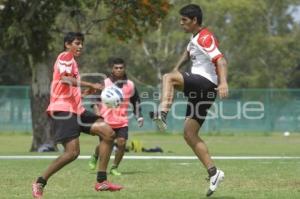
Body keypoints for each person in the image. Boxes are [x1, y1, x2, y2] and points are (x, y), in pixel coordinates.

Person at [32, 32, 123, 199]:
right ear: (67, 44)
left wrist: (85, 92)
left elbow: (68, 88)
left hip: (77, 109)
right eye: (77, 43)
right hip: (64, 110)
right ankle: (40, 182)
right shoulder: (65, 56)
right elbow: (65, 80)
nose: (80, 46)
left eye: (82, 43)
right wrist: (91, 83)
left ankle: (101, 181)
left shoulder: (72, 61)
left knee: (108, 133)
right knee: (72, 153)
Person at [150, 4, 228, 197]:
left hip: (206, 84)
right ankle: (214, 172)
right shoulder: (194, 39)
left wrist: (224, 82)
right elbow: (186, 54)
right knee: (189, 134)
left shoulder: (205, 36)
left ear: (194, 21)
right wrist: (177, 68)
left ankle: (163, 113)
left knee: (168, 78)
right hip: (204, 90)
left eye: (184, 20)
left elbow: (221, 60)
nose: (181, 23)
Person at [88, 57, 144, 176]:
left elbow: (136, 101)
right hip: (106, 120)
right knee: (105, 144)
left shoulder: (130, 85)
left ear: (124, 69)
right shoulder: (105, 83)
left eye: (121, 68)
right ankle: (95, 155)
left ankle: (114, 167)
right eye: (116, 68)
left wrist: (139, 116)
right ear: (112, 69)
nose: (119, 70)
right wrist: (96, 109)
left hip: (122, 121)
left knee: (122, 143)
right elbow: (94, 98)